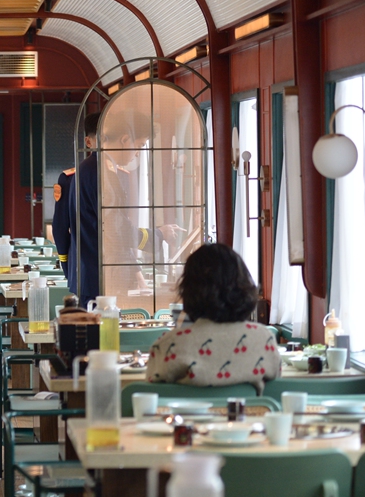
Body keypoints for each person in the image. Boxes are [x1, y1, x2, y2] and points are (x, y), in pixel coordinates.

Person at [75, 111, 186, 306]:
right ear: (125, 139)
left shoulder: (93, 167)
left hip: (95, 273)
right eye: (140, 145)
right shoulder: (102, 172)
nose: (138, 153)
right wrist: (158, 234)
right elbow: (115, 230)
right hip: (101, 275)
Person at [144, 243, 280, 392]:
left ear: (188, 290)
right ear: (244, 286)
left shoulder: (167, 346)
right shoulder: (263, 339)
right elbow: (274, 392)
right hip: (247, 414)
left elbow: (151, 401)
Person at [51, 112, 100, 295]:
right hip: (84, 266)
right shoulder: (70, 179)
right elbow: (61, 227)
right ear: (89, 142)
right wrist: (66, 263)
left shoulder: (122, 175)